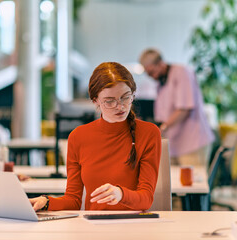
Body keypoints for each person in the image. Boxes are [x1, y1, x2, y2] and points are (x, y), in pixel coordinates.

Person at [30, 62, 161, 211]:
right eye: (110, 101)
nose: (120, 106)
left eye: (125, 97)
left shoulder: (149, 133)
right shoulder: (78, 137)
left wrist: (121, 194)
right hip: (93, 227)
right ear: (95, 101)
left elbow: (146, 200)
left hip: (134, 226)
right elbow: (73, 200)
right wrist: (46, 201)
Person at [139, 48, 214, 168]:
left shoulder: (182, 72)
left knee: (193, 184)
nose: (151, 77)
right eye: (148, 74)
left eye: (152, 72)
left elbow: (184, 109)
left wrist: (162, 128)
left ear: (160, 63)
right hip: (174, 143)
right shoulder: (160, 81)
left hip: (192, 142)